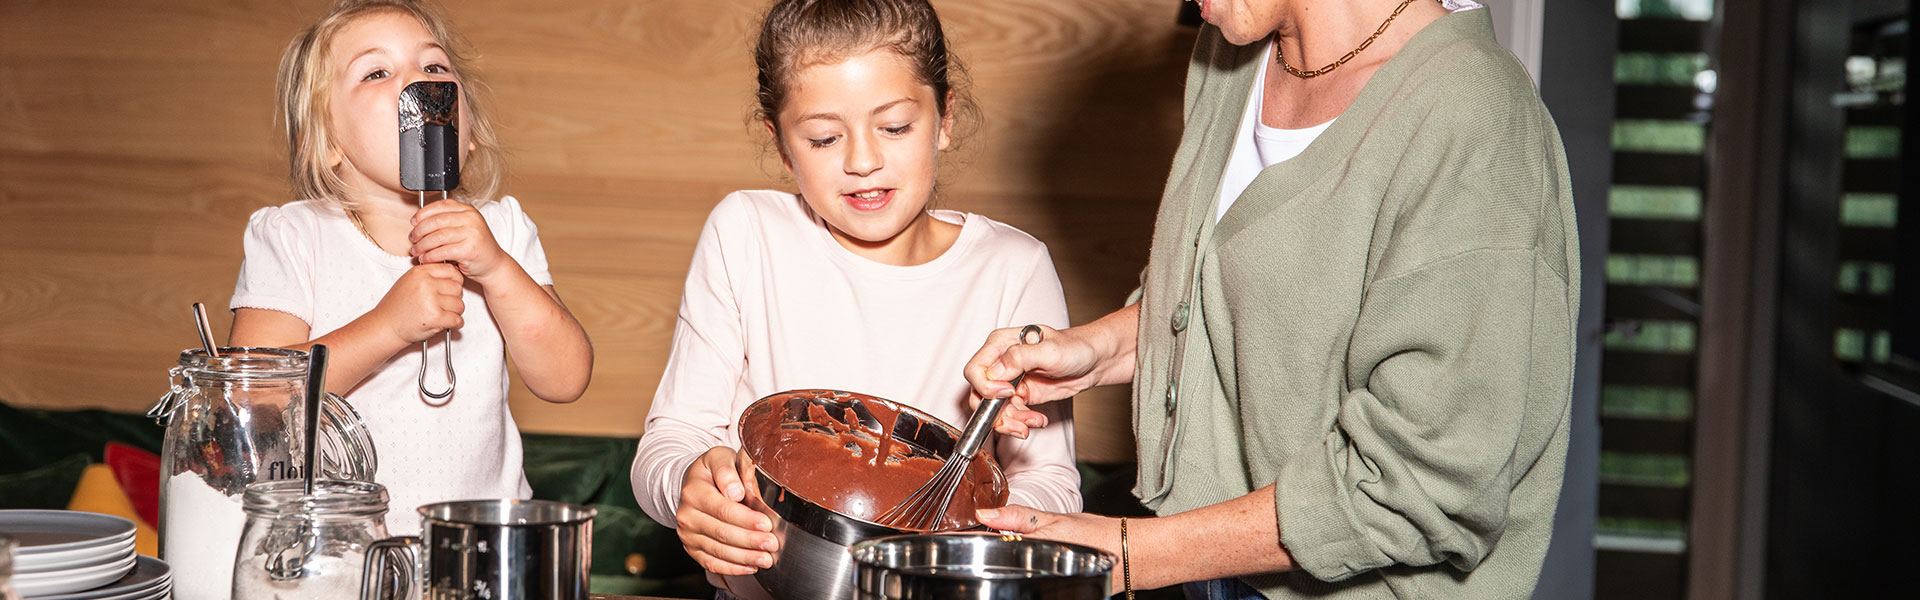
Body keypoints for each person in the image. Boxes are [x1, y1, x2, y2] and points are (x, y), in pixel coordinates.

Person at [963, 0, 1579, 598]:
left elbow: (1420, 481)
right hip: (1210, 570)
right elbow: (1216, 300)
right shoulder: (1231, 52)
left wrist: (1138, 554)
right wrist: (1092, 352)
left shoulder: (1475, 118)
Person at [630, 0, 1083, 590]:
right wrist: (687, 484)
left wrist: (977, 535)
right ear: (782, 143)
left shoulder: (1013, 268)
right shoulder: (745, 233)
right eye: (822, 138)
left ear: (945, 118)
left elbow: (1052, 483)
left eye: (894, 127)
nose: (863, 161)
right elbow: (670, 441)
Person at [228, 0, 593, 536]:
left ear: (465, 133)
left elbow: (565, 378)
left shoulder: (503, 229)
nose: (418, 84)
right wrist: (388, 327)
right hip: (337, 547)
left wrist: (494, 269)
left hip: (480, 541)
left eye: (435, 67)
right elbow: (255, 406)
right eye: (377, 72)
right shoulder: (293, 236)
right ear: (326, 142)